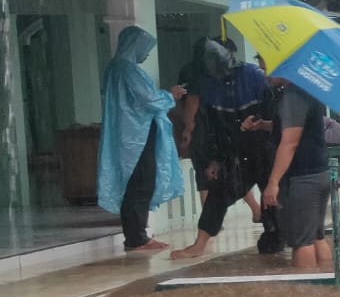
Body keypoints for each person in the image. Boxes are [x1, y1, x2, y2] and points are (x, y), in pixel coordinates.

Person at [171, 40, 274, 260]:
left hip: (264, 149)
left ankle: (275, 234)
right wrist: (214, 159)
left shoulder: (253, 76)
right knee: (217, 194)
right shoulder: (209, 85)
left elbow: (273, 113)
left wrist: (259, 122)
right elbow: (213, 127)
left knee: (272, 201)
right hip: (235, 150)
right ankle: (199, 244)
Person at [97, 26, 186, 253]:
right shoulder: (128, 70)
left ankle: (137, 236)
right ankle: (137, 238)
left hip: (129, 134)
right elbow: (148, 100)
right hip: (137, 134)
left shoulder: (116, 68)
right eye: (145, 49)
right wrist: (170, 95)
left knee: (136, 183)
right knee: (141, 183)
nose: (146, 54)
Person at [261, 82, 333, 270]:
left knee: (302, 243)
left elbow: (289, 143)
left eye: (266, 65)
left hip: (302, 179)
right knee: (316, 237)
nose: (265, 71)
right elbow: (297, 126)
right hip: (319, 173)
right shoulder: (308, 90)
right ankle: (328, 289)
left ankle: (304, 295)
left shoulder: (293, 96)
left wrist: (273, 181)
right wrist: (263, 125)